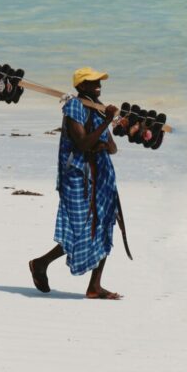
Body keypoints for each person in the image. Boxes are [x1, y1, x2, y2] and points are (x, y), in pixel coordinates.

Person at [28, 67, 123, 300]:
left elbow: (112, 148)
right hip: (77, 177)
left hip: (101, 176)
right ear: (80, 86)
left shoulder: (99, 111)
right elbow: (81, 143)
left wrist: (105, 126)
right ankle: (40, 263)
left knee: (103, 226)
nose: (98, 84)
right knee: (78, 228)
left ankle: (95, 287)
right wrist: (107, 122)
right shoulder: (74, 106)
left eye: (99, 80)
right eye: (92, 81)